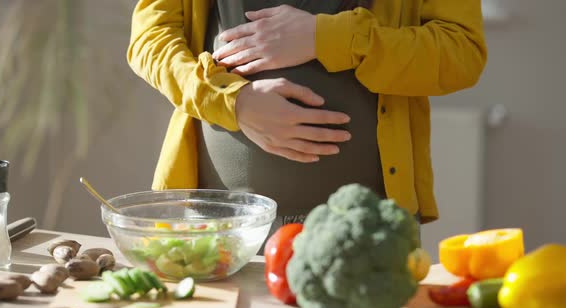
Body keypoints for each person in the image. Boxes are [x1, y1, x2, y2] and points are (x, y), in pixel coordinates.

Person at [127, 0, 487, 234]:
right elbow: (149, 38)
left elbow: (461, 51)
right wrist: (234, 102)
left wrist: (326, 38)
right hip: (220, 226)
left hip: (371, 227)